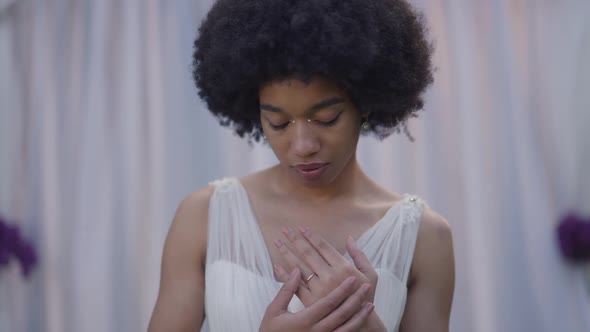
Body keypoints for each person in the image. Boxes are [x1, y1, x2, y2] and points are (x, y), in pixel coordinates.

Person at [148, 0, 455, 331]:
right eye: (278, 123)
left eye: (327, 118)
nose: (303, 145)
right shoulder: (203, 217)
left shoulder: (424, 237)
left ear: (364, 104)